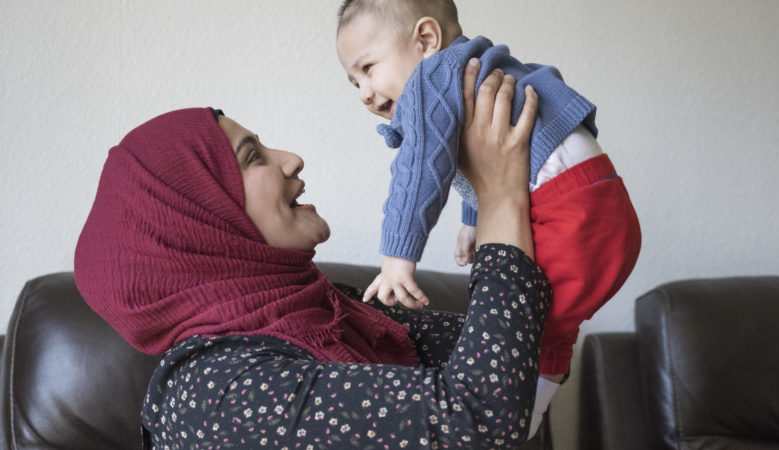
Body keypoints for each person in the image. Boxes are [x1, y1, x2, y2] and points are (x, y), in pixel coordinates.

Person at [74, 68, 550, 448]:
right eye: (253, 157)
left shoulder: (326, 313)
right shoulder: (221, 392)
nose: (290, 158)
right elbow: (480, 417)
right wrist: (501, 193)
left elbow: (517, 353)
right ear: (197, 224)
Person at [335, 0, 641, 427]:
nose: (365, 93)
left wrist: (396, 259)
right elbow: (478, 153)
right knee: (550, 322)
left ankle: (520, 419)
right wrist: (473, 219)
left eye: (368, 68)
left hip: (566, 211)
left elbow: (421, 165)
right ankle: (525, 413)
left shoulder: (429, 78)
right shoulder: (474, 68)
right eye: (353, 83)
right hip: (599, 197)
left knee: (531, 325)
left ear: (426, 40)